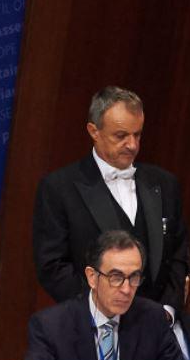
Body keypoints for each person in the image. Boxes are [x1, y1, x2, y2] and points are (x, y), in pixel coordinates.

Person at [33, 87, 188, 316]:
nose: (132, 145)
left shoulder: (165, 184)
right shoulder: (58, 188)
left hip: (160, 329)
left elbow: (179, 253)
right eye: (121, 135)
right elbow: (52, 267)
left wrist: (166, 310)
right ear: (93, 131)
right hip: (95, 330)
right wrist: (102, 311)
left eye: (137, 134)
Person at [23, 230, 186, 360]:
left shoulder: (153, 319)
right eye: (116, 277)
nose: (127, 289)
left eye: (134, 277)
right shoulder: (50, 327)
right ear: (92, 277)